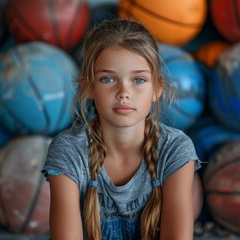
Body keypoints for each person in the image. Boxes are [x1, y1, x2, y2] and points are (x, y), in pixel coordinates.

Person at [42, 18, 201, 240]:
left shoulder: (175, 148)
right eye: (107, 79)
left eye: (138, 80)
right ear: (88, 87)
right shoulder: (69, 151)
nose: (123, 92)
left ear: (157, 89)